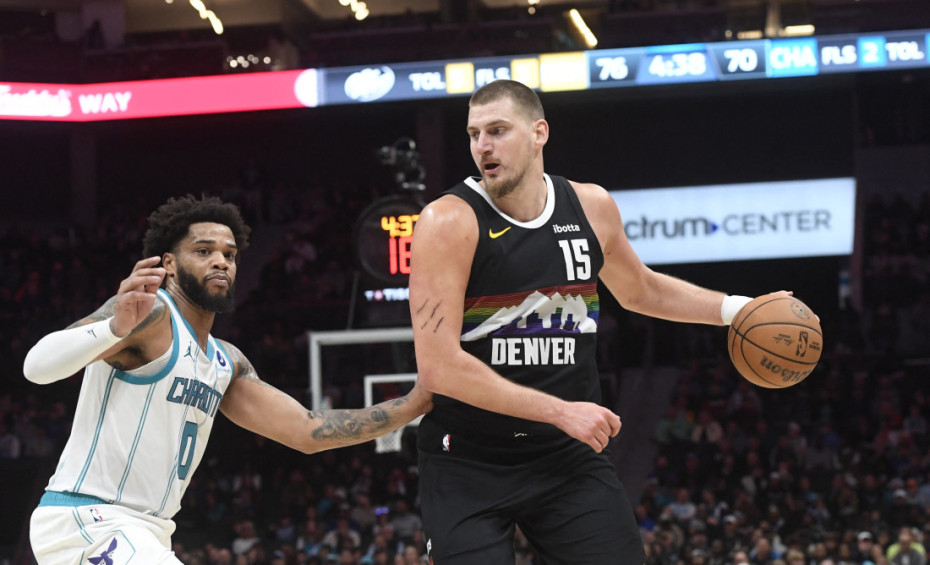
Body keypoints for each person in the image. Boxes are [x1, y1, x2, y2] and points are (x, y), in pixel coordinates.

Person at [408, 79, 778, 563]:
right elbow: (439, 368)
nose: (483, 146)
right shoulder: (447, 221)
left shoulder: (590, 206)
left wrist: (737, 309)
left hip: (565, 457)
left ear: (539, 133)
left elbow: (640, 289)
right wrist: (561, 411)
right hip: (469, 459)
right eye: (474, 134)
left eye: (497, 130)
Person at [23, 195, 432, 565]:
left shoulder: (225, 362)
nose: (221, 262)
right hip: (88, 519)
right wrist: (114, 327)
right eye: (204, 251)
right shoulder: (147, 315)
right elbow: (36, 367)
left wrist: (417, 402)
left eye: (230, 254)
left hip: (148, 531)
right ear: (169, 263)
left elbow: (307, 430)